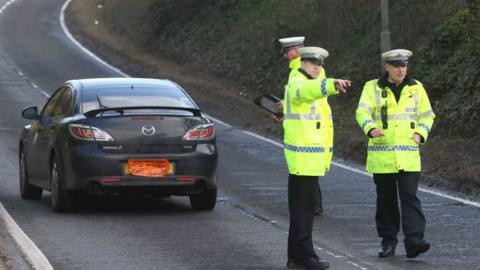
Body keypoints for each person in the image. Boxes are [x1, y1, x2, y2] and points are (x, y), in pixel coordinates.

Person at [355, 49, 435, 258]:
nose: (401, 69)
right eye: (396, 66)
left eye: (404, 65)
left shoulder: (417, 88)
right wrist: (370, 128)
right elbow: (362, 112)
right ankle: (388, 241)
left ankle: (414, 241)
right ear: (387, 67)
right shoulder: (372, 87)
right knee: (386, 200)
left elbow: (427, 116)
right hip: (382, 157)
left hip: (408, 156)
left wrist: (420, 133)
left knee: (410, 197)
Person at [283, 46, 351, 270]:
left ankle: (295, 257)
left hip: (307, 158)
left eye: (319, 64)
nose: (317, 67)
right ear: (302, 63)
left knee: (300, 209)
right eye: (313, 63)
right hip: (303, 157)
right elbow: (305, 92)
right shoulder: (298, 80)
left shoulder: (307, 81)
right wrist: (331, 84)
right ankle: (306, 255)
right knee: (304, 210)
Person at [278, 36, 328, 216]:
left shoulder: (304, 69)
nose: (285, 56)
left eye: (287, 52)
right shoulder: (296, 69)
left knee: (307, 168)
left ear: (297, 50)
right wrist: (285, 108)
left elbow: (309, 94)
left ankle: (312, 205)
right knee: (305, 168)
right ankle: (311, 204)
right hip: (303, 125)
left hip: (308, 127)